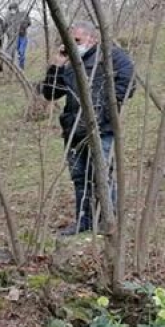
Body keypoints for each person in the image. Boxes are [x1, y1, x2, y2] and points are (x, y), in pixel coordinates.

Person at [39, 20, 135, 235]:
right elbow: (50, 93)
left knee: (101, 176)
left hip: (102, 129)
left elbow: (128, 84)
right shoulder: (71, 63)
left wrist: (103, 109)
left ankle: (110, 224)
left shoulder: (110, 57)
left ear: (92, 38)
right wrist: (57, 64)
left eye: (77, 40)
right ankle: (84, 222)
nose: (71, 44)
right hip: (73, 131)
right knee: (80, 177)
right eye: (69, 41)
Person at [5, 3, 32, 69]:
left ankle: (21, 67)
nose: (12, 11)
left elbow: (29, 23)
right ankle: (11, 67)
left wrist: (23, 25)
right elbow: (5, 26)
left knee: (21, 52)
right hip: (13, 38)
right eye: (10, 10)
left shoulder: (22, 14)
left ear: (16, 9)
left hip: (22, 36)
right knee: (11, 52)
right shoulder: (8, 17)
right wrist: (8, 32)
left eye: (13, 9)